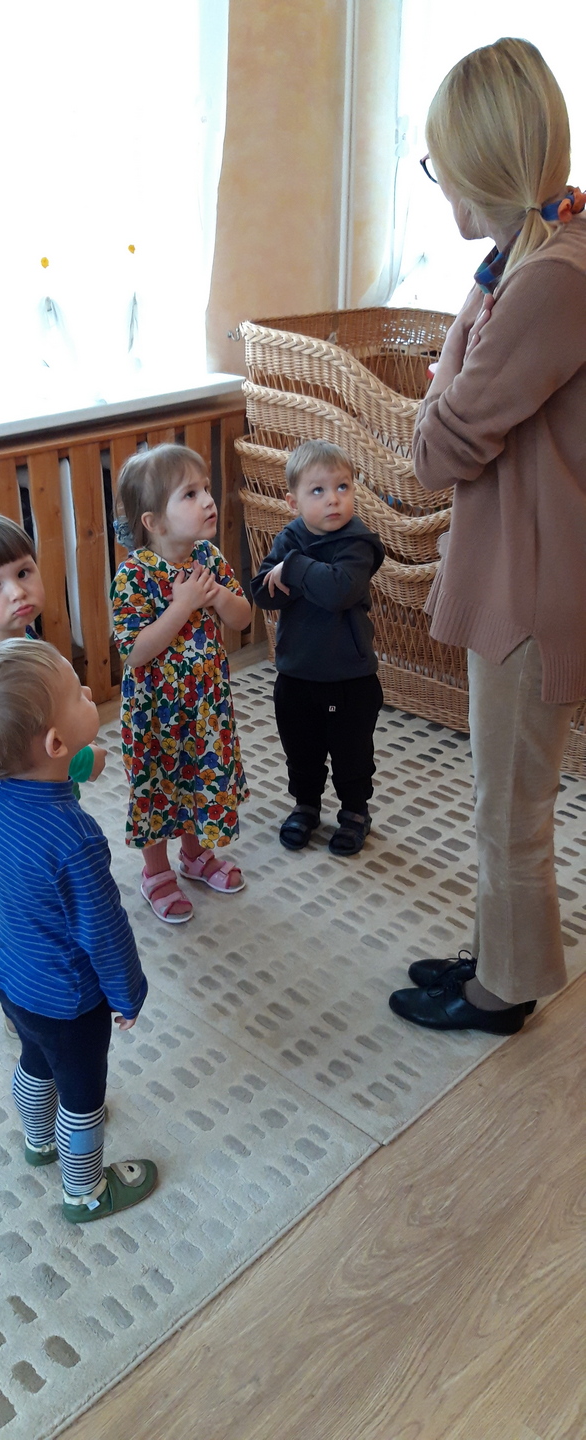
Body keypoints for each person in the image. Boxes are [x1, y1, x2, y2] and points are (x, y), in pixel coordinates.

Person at [389, 37, 586, 1035]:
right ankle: (497, 953)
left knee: (509, 806)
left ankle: (505, 991)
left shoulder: (549, 278)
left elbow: (438, 447)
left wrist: (451, 361)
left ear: (489, 165)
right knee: (499, 795)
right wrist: (492, 274)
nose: (442, 186)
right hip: (527, 563)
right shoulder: (539, 257)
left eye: (444, 165)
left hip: (530, 581)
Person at [0, 638, 158, 1223]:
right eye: (77, 693)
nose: (89, 690)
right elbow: (104, 930)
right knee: (83, 1094)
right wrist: (128, 991)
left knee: (35, 1060)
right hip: (69, 999)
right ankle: (84, 1193)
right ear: (57, 745)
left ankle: (38, 1141)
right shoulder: (74, 838)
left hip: (10, 975)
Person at [111, 443, 251, 923]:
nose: (208, 500)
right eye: (190, 494)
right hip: (156, 715)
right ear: (153, 522)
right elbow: (135, 651)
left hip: (206, 707)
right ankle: (156, 873)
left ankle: (195, 856)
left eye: (206, 488)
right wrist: (183, 605)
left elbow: (242, 616)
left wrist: (216, 597)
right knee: (158, 788)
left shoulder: (208, 557)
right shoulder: (133, 575)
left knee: (198, 779)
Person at [251, 439, 385, 856]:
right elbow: (263, 592)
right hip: (297, 672)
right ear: (293, 502)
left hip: (350, 676)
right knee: (301, 749)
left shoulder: (358, 542)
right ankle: (306, 805)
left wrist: (294, 568)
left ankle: (355, 812)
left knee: (352, 753)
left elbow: (339, 591)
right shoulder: (289, 537)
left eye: (343, 487)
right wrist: (295, 573)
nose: (333, 499)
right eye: (318, 491)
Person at [0, 508, 106, 794]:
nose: (17, 592)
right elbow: (28, 747)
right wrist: (85, 760)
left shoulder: (21, 639)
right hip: (22, 805)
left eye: (23, 572)